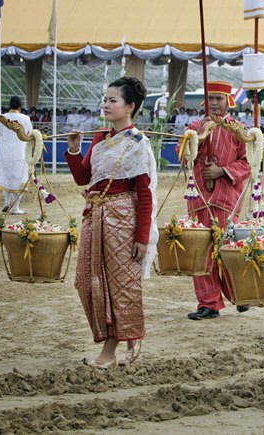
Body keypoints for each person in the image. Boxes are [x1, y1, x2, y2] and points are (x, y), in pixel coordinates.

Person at [66, 77, 157, 369]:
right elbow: (84, 178)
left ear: (130, 106)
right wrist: (73, 150)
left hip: (123, 220)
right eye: (104, 99)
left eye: (113, 100)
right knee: (87, 281)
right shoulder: (99, 139)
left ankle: (110, 350)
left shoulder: (137, 144)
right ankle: (125, 336)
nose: (106, 105)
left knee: (120, 285)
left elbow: (144, 193)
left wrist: (142, 237)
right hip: (96, 218)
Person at [184, 80, 250, 321]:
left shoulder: (238, 129)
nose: (214, 103)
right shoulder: (193, 126)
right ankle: (209, 303)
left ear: (228, 101)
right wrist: (200, 137)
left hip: (225, 197)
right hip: (199, 196)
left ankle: (239, 294)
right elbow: (184, 157)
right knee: (201, 250)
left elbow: (247, 162)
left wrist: (221, 171)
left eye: (219, 99)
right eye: (210, 98)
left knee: (224, 248)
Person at [0, 96, 33, 214]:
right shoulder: (25, 118)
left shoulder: (3, 117)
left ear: (10, 105)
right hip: (20, 151)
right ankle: (15, 207)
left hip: (5, 150)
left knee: (6, 176)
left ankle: (7, 202)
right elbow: (29, 134)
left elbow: (1, 133)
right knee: (18, 178)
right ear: (20, 106)